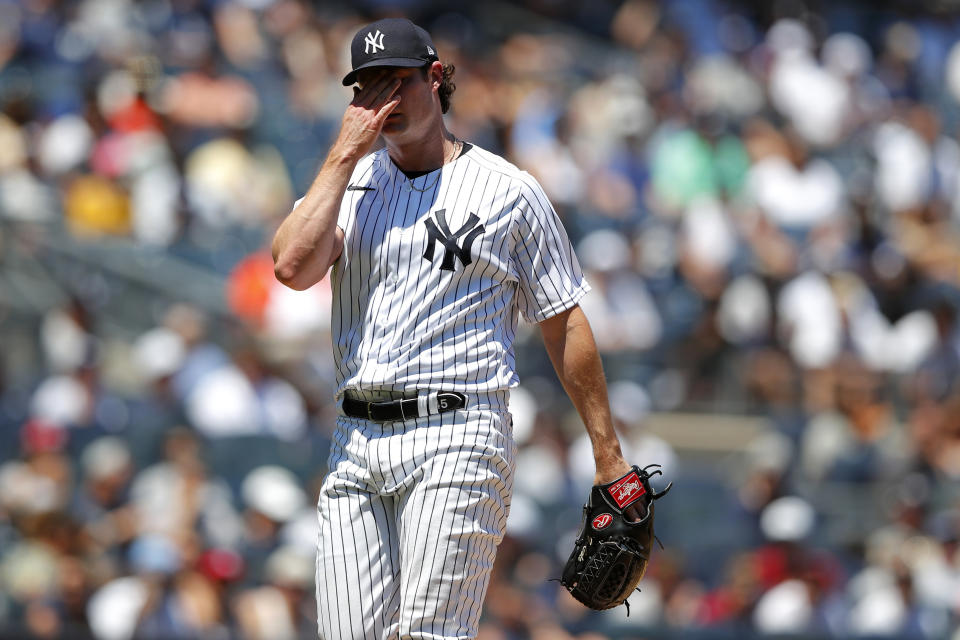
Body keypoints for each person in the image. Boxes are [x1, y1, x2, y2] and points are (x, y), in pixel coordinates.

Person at [272, 17, 641, 640]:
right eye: (365, 89)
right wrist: (341, 154)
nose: (380, 102)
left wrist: (608, 457)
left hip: (459, 434)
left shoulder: (510, 192)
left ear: (435, 78)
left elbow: (564, 321)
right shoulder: (351, 182)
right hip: (355, 440)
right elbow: (291, 265)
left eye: (396, 82)